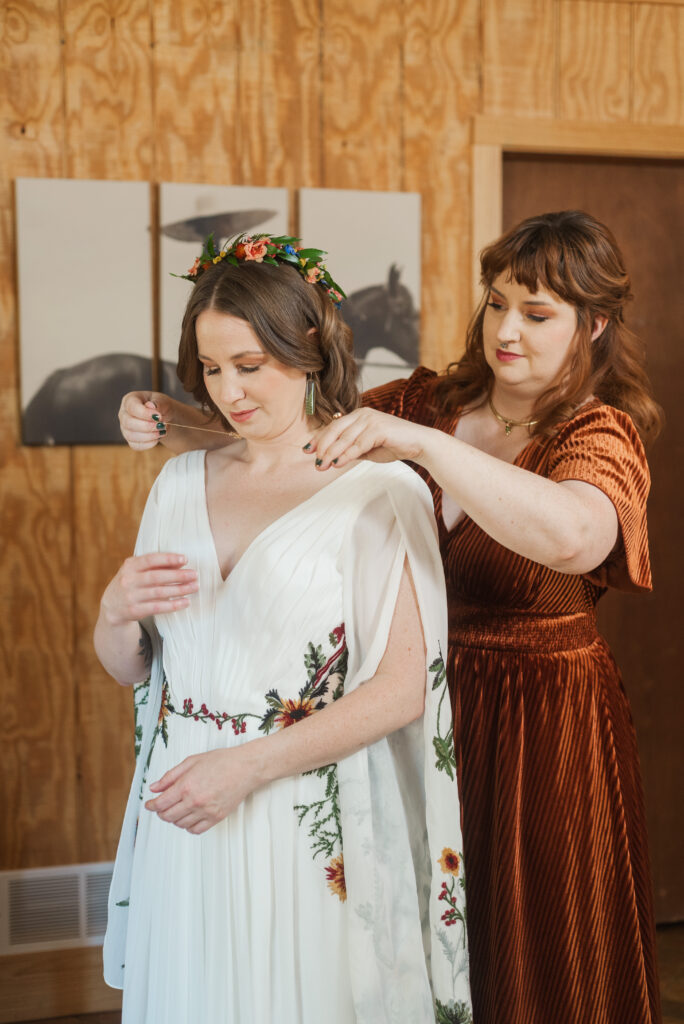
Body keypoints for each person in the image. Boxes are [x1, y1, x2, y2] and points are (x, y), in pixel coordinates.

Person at [119, 211, 663, 1024]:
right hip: (397, 716)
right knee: (415, 942)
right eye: (498, 303)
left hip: (536, 726)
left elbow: (576, 537)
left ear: (594, 326)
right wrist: (172, 416)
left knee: (532, 948)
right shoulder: (427, 399)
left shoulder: (595, 434)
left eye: (537, 314)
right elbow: (291, 433)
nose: (506, 330)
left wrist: (426, 448)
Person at [98, 233, 471, 1024]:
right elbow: (133, 670)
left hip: (299, 802)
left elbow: (404, 690)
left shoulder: (379, 488)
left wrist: (247, 767)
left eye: (249, 365)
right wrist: (114, 610)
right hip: (183, 799)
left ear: (305, 347)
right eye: (210, 367)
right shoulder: (176, 481)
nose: (228, 390)